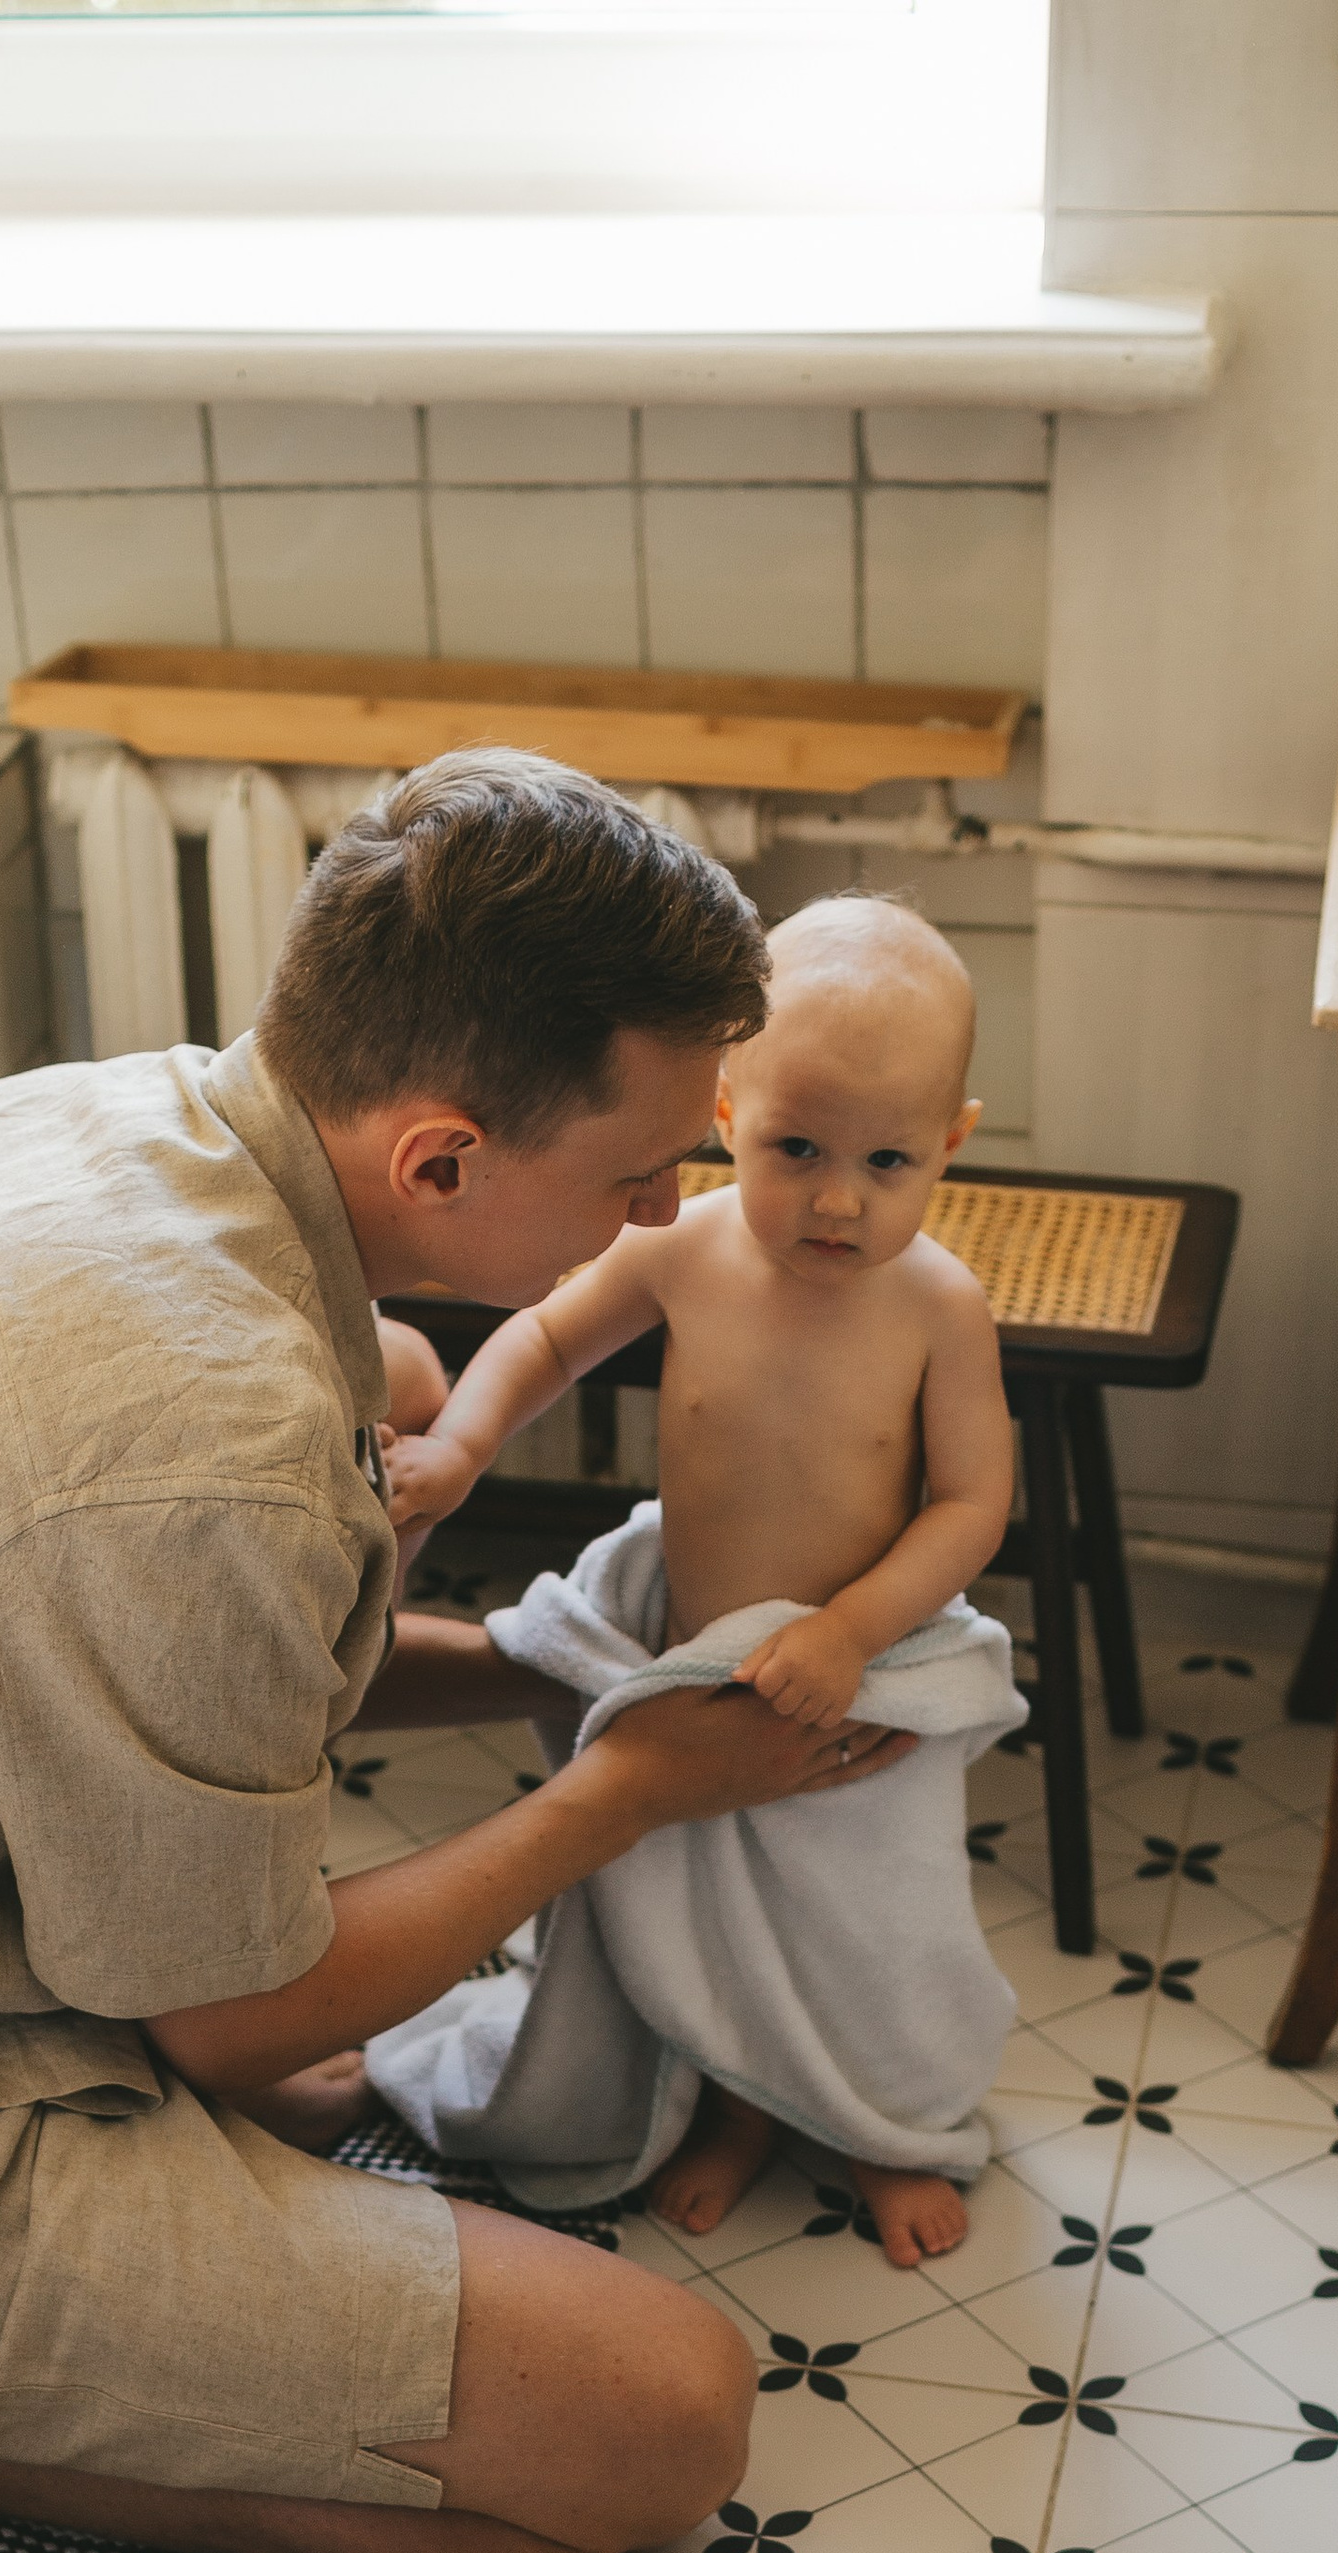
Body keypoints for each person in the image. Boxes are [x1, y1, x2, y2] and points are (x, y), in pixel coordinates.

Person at [0, 753, 915, 2553]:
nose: (668, 1214)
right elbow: (240, 2021)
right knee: (663, 2422)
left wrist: (541, 1668)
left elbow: (199, 1681)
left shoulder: (133, 1123)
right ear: (441, 1158)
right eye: (642, 1167)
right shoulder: (205, 1446)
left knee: (396, 1400)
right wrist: (628, 1787)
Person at [377, 895, 1016, 2266]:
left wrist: (850, 1633)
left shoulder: (935, 1307)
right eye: (797, 1147)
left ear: (953, 1144)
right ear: (727, 1107)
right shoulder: (687, 1250)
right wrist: (463, 1445)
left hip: (863, 1668)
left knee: (857, 1924)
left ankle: (880, 2124)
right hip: (695, 1656)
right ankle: (734, 2105)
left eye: (889, 1161)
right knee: (709, 1905)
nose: (839, 1199)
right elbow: (545, 1340)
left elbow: (973, 1504)